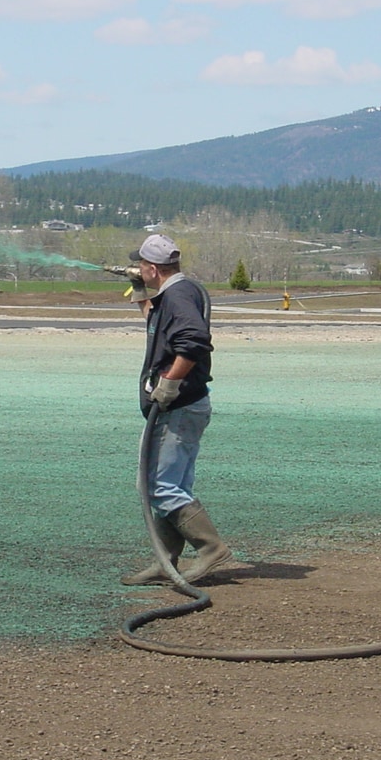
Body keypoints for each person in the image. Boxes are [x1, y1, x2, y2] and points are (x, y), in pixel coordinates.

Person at [120, 234, 242, 586]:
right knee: (171, 484)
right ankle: (167, 559)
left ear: (153, 268)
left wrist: (169, 384)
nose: (139, 269)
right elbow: (155, 323)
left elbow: (194, 341)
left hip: (178, 407)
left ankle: (211, 548)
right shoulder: (176, 293)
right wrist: (139, 290)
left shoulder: (178, 295)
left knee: (159, 486)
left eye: (141, 266)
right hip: (184, 407)